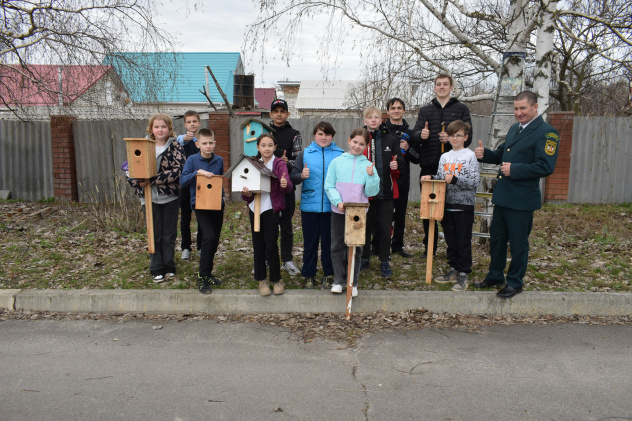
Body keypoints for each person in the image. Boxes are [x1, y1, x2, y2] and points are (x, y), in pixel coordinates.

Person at [473, 90, 559, 298]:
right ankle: (495, 275)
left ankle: (515, 282)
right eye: (516, 108)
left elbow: (545, 166)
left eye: (523, 108)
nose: (519, 112)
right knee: (497, 240)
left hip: (521, 200)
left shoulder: (548, 133)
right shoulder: (514, 129)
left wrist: (516, 170)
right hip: (503, 197)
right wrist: (486, 155)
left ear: (534, 107)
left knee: (519, 244)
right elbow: (502, 155)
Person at [412, 74, 472, 257]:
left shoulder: (461, 109)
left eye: (446, 84)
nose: (442, 87)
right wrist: (420, 135)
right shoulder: (426, 110)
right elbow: (415, 134)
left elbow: (468, 136)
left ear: (451, 87)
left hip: (452, 168)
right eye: (438, 84)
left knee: (450, 211)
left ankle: (452, 248)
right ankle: (429, 248)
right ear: (434, 88)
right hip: (430, 166)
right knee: (428, 208)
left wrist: (451, 138)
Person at [421, 120, 479, 291]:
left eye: (459, 135)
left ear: (466, 137)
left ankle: (463, 274)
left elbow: (475, 182)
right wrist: (430, 177)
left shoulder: (470, 156)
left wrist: (455, 179)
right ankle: (453, 269)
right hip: (445, 205)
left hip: (464, 206)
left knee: (463, 241)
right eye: (452, 135)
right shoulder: (445, 157)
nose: (455, 138)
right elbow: (440, 177)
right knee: (451, 240)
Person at [127, 113, 185, 283]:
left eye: (164, 126)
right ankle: (156, 267)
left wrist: (153, 179)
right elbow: (131, 168)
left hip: (169, 198)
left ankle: (169, 265)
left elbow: (178, 170)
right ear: (151, 128)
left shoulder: (175, 146)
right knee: (154, 234)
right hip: (148, 198)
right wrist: (135, 182)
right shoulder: (142, 145)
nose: (160, 130)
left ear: (169, 129)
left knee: (169, 234)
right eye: (157, 126)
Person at [325, 128, 380, 297]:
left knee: (355, 247)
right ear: (349, 140)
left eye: (361, 144)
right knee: (337, 246)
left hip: (358, 213)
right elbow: (329, 185)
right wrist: (338, 201)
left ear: (366, 146)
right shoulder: (337, 162)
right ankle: (339, 281)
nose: (357, 146)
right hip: (339, 211)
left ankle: (352, 282)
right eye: (355, 142)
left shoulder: (368, 166)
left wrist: (371, 176)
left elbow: (371, 192)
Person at [290, 121, 344, 289]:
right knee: (310, 243)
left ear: (332, 136)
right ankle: (308, 275)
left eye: (327, 134)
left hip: (332, 207)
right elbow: (293, 177)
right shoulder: (305, 153)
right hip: (309, 207)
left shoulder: (340, 154)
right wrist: (301, 176)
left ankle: (329, 274)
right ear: (314, 135)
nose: (323, 137)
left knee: (330, 243)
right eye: (320, 134)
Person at [242, 133, 294, 296]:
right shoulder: (253, 163)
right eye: (263, 145)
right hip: (255, 208)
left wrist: (284, 184)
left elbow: (288, 187)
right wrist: (248, 193)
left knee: (271, 244)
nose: (267, 148)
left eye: (270, 145)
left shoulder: (278, 164)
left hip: (271, 208)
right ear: (258, 147)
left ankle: (276, 279)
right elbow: (245, 191)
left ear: (274, 147)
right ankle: (261, 280)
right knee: (258, 244)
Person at [371, 98, 421, 258]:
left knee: (399, 213)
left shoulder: (411, 133)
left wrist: (408, 148)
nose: (396, 110)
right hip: (382, 179)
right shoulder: (381, 130)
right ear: (388, 111)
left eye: (399, 107)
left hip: (402, 179)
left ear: (404, 111)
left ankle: (397, 246)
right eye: (393, 108)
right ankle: (376, 246)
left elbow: (417, 158)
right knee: (379, 214)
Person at [359, 105, 404, 277]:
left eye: (376, 117)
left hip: (386, 192)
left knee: (386, 229)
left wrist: (396, 165)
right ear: (365, 120)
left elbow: (400, 164)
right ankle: (364, 258)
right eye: (370, 117)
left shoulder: (391, 139)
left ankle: (385, 260)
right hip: (364, 193)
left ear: (381, 120)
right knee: (365, 227)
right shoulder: (359, 137)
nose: (373, 120)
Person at [180, 129, 224, 294]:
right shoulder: (192, 160)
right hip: (200, 204)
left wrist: (223, 196)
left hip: (216, 204)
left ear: (214, 143)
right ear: (197, 144)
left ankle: (208, 273)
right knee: (208, 237)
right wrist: (197, 173)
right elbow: (183, 181)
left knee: (214, 240)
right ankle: (202, 275)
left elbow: (219, 180)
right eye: (204, 143)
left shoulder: (219, 160)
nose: (208, 146)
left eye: (210, 143)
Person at [269, 99, 302, 276]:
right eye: (276, 111)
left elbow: (298, 161)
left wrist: (286, 162)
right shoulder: (263, 132)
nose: (279, 114)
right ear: (271, 114)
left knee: (286, 227)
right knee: (269, 226)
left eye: (283, 111)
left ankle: (287, 260)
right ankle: (268, 259)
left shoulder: (294, 134)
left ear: (288, 114)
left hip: (286, 187)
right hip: (267, 188)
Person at [177, 110, 203, 261]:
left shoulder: (201, 141)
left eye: (195, 121)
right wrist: (184, 138)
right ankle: (185, 248)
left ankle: (200, 246)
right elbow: (177, 140)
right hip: (185, 186)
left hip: (200, 186)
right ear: (185, 124)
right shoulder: (182, 141)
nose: (192, 124)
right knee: (185, 219)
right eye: (189, 122)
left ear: (199, 123)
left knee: (201, 219)